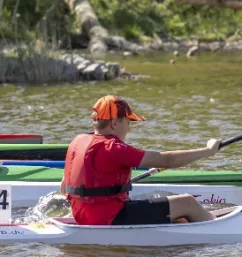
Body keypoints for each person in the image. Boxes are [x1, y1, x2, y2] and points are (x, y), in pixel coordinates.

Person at [61, 96, 222, 226]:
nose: (129, 129)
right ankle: (219, 229)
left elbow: (64, 187)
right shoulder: (114, 148)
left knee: (175, 215)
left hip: (83, 216)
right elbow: (167, 160)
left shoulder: (77, 142)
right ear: (115, 123)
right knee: (187, 203)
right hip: (111, 219)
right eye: (128, 123)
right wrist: (208, 150)